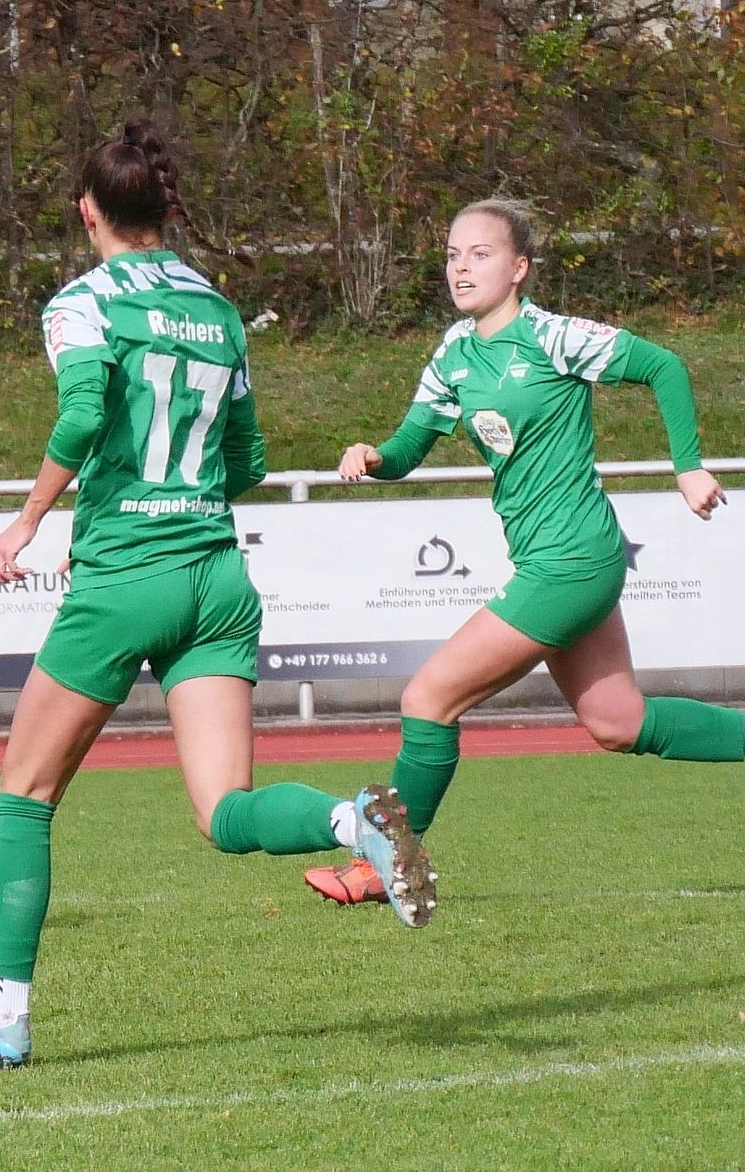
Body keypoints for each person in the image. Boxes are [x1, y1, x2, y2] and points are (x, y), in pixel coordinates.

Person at [0, 121, 432, 1069]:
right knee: (225, 810)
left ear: (88, 212)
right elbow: (248, 460)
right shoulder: (219, 310)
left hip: (126, 578)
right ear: (165, 208)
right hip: (218, 578)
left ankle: (3, 1013)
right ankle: (349, 819)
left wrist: (28, 521)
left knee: (25, 796)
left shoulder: (82, 303)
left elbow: (82, 413)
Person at [304, 198, 738, 907]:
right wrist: (375, 455)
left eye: (481, 254)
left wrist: (687, 467)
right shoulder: (454, 352)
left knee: (427, 697)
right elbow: (411, 447)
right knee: (618, 722)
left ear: (519, 268)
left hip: (572, 560)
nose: (462, 267)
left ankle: (386, 866)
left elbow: (663, 365)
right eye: (453, 255)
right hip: (557, 560)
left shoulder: (552, 336)